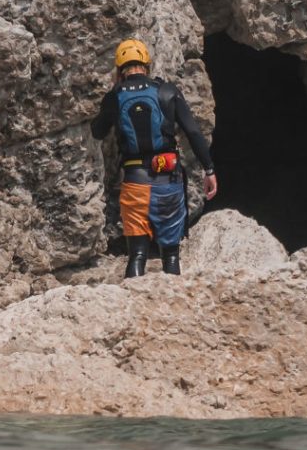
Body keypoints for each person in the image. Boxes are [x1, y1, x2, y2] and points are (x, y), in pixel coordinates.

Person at [92, 39, 218, 277]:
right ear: (146, 65)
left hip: (135, 182)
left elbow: (97, 131)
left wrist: (111, 97)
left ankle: (133, 304)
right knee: (170, 253)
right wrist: (209, 169)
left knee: (137, 254)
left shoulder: (115, 96)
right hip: (167, 182)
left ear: (119, 69)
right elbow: (192, 131)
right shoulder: (167, 91)